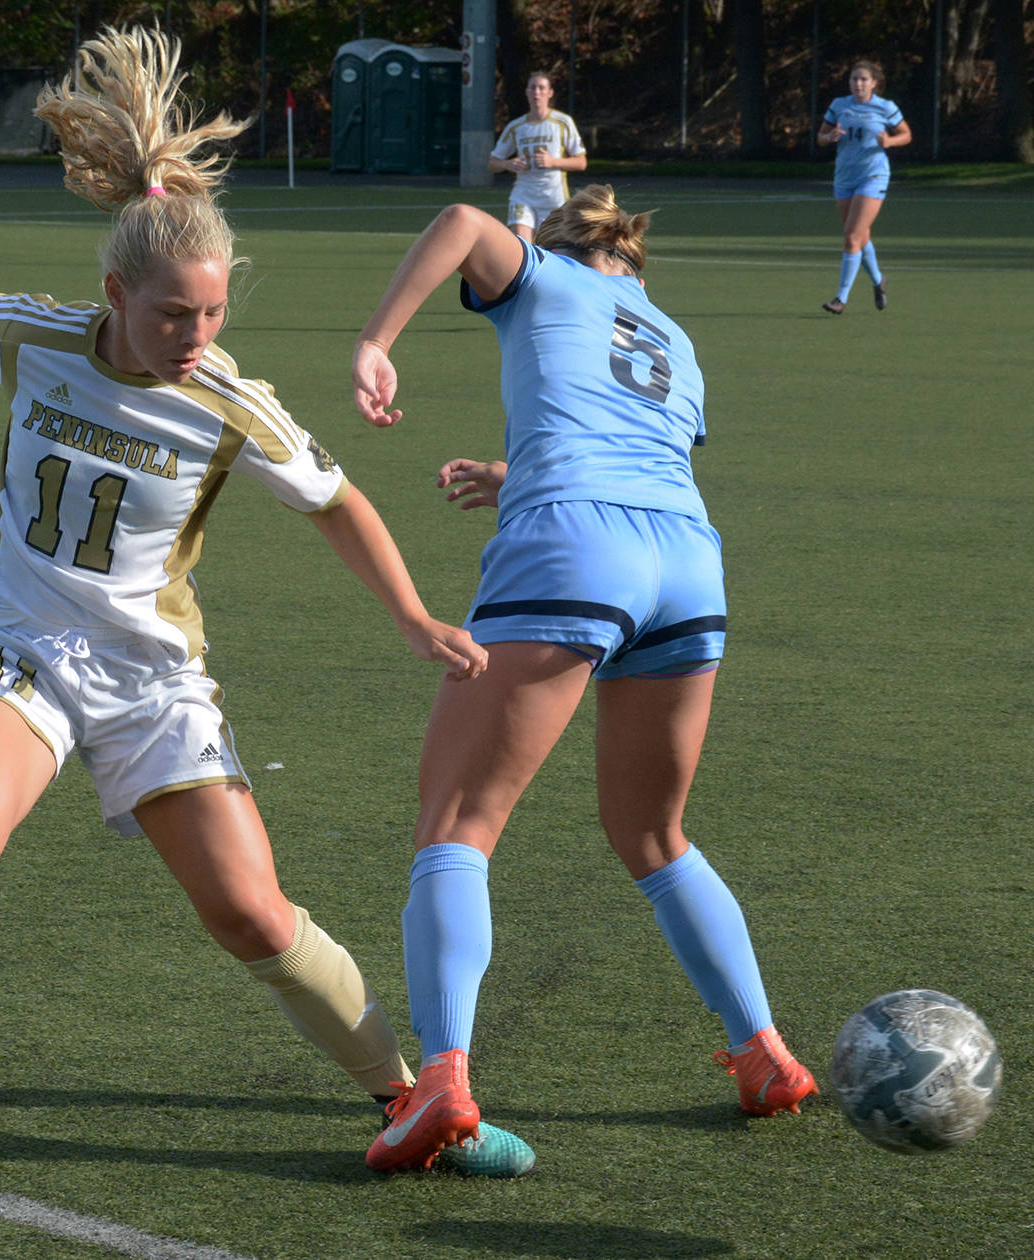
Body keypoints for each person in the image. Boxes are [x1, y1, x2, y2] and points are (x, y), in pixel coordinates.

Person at [0, 24, 533, 1186]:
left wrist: (409, 616)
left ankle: (419, 1105)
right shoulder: (37, 335)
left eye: (214, 315)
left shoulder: (231, 405)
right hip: (22, 647)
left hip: (152, 676)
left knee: (249, 912)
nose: (197, 338)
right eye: (173, 315)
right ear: (114, 294)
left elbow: (338, 504)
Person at [352, 186, 819, 1174]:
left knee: (454, 826)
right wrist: (512, 472)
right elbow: (631, 452)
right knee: (654, 836)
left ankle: (439, 1077)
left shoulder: (541, 272)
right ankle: (761, 1051)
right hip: (686, 567)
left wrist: (375, 338)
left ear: (551, 245)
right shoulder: (675, 342)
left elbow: (463, 224)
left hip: (572, 545)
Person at [817, 59, 911, 314]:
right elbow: (821, 136)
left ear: (874, 83)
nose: (858, 84)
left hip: (873, 176)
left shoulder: (885, 107)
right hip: (844, 176)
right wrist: (829, 137)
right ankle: (879, 280)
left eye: (863, 79)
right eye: (854, 79)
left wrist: (890, 141)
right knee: (861, 236)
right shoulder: (840, 105)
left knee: (851, 237)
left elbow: (906, 134)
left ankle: (841, 298)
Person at [487, 72, 587, 240]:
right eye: (533, 87)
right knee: (521, 246)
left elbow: (581, 162)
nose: (537, 92)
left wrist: (552, 161)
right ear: (527, 92)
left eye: (542, 88)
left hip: (553, 197)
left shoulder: (562, 122)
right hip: (523, 195)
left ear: (550, 93)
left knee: (551, 249)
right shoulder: (516, 126)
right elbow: (492, 163)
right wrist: (508, 164)